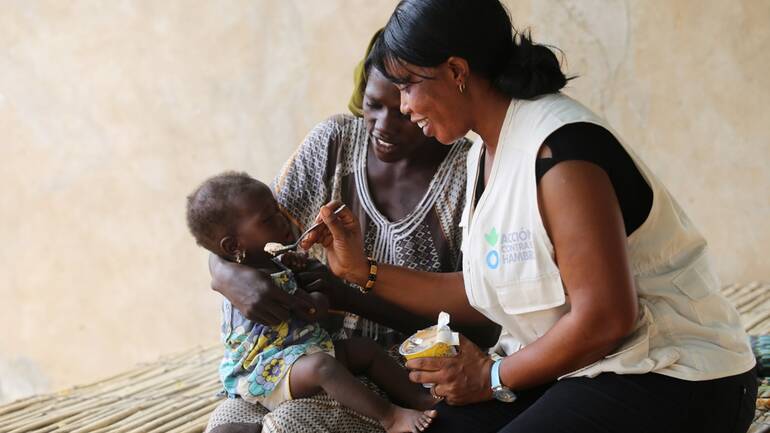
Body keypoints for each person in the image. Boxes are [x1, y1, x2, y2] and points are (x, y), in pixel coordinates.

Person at [300, 1, 759, 432]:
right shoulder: (484, 150)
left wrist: (492, 375)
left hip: (674, 374)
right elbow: (486, 286)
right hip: (577, 369)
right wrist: (362, 272)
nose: (403, 106)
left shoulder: (560, 154)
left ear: (456, 72)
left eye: (406, 85)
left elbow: (606, 318)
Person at [204, 31, 498, 433]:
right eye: (373, 105)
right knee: (226, 422)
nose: (384, 125)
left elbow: (484, 324)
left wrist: (349, 296)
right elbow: (239, 230)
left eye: (403, 111)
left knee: (290, 425)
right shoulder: (333, 144)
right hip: (294, 356)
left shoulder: (468, 176)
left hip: (399, 374)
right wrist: (226, 275)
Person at [186, 172, 438, 433]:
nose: (282, 219)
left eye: (276, 210)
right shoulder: (256, 286)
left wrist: (296, 270)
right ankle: (391, 418)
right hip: (267, 371)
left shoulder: (269, 263)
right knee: (323, 368)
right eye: (268, 218)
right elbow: (309, 312)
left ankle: (421, 399)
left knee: (364, 349)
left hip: (297, 353)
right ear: (233, 247)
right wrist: (319, 298)